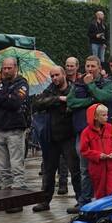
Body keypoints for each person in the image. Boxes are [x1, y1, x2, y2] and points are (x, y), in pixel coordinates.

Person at [66, 55, 112, 210]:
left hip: (103, 132)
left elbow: (105, 96)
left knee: (105, 167)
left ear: (99, 68)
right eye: (87, 66)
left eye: (93, 66)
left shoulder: (107, 83)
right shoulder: (78, 83)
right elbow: (70, 101)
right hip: (83, 130)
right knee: (85, 169)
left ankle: (105, 200)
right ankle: (84, 202)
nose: (90, 69)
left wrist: (91, 86)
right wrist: (90, 102)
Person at [32, 66, 82, 212]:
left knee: (75, 170)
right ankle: (44, 200)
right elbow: (37, 103)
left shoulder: (74, 89)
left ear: (64, 75)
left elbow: (74, 104)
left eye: (57, 75)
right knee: (48, 170)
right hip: (51, 136)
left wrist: (64, 102)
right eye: (52, 76)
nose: (54, 78)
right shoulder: (50, 90)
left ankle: (81, 200)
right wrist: (58, 99)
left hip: (68, 136)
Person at [0, 57, 30, 199]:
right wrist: (6, 96)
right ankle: (6, 191)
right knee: (2, 165)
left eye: (9, 68)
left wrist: (1, 98)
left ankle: (17, 193)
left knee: (16, 164)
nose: (6, 70)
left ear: (15, 67)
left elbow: (16, 102)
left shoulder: (22, 83)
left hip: (15, 129)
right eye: (4, 68)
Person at [79, 103, 112, 201]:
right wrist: (98, 155)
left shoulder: (110, 128)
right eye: (103, 115)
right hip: (97, 167)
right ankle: (101, 214)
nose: (107, 117)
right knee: (99, 191)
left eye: (107, 114)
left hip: (111, 165)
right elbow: (84, 150)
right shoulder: (86, 132)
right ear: (95, 117)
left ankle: (111, 213)